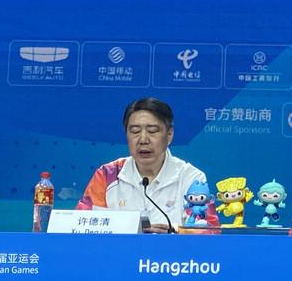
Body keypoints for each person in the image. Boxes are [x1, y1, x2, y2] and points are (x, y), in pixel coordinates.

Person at [77, 97, 218, 232]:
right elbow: (81, 224)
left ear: (169, 134)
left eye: (152, 131)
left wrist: (175, 232)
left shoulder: (191, 178)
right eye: (135, 131)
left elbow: (209, 231)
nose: (143, 140)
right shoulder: (107, 175)